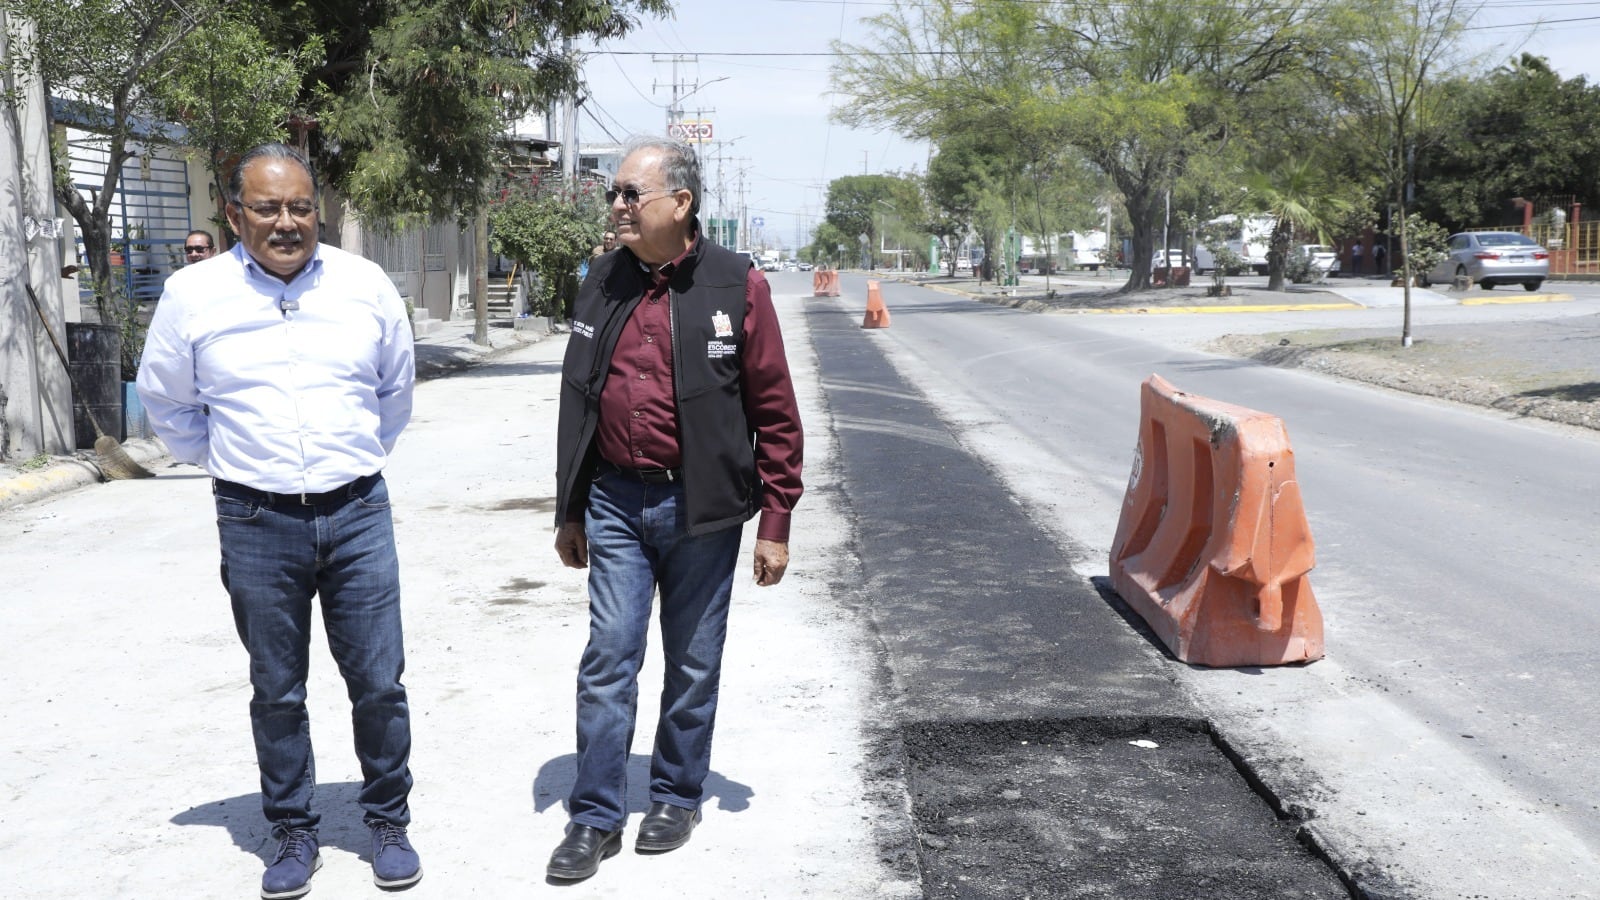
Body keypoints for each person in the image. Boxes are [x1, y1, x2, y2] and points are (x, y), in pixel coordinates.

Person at [136, 143, 422, 900]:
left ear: (317, 209)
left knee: (379, 682)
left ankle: (387, 820)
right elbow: (166, 402)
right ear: (234, 215)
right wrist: (236, 464)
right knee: (277, 687)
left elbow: (395, 393)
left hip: (358, 508)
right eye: (267, 208)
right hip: (256, 518)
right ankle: (293, 830)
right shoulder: (193, 293)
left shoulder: (365, 284)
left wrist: (350, 460)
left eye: (300, 206)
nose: (287, 222)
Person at [548, 136, 804, 882]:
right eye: (616, 195)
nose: (619, 206)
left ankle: (676, 796)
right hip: (617, 503)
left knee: (693, 665)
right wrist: (570, 509)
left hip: (705, 507)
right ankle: (594, 815)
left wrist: (776, 522)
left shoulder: (736, 284)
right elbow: (578, 401)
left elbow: (776, 412)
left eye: (633, 194)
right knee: (608, 661)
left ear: (680, 203)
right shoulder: (600, 280)